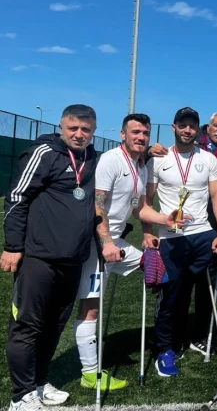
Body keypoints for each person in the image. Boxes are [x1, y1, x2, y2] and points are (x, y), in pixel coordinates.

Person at [72, 113, 188, 391]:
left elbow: (140, 209)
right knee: (90, 308)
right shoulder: (111, 160)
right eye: (135, 132)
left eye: (145, 133)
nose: (141, 137)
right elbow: (97, 205)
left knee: (157, 267)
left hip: (118, 244)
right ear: (123, 134)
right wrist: (106, 243)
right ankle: (90, 373)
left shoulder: (141, 166)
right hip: (97, 244)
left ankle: (163, 343)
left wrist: (166, 219)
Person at [3, 105, 99, 410]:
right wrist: (13, 246)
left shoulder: (92, 157)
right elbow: (17, 198)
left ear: (93, 131)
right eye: (73, 128)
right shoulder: (43, 153)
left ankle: (40, 383)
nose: (79, 134)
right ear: (62, 127)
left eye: (86, 129)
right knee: (27, 326)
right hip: (39, 258)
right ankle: (21, 396)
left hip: (73, 259)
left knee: (54, 325)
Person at [144, 107, 217, 377]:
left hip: (202, 234)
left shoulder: (209, 159)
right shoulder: (158, 159)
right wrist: (148, 232)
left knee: (204, 291)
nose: (188, 130)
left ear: (198, 130)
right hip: (171, 236)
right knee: (171, 294)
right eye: (183, 125)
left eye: (192, 126)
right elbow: (146, 201)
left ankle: (199, 337)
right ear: (174, 127)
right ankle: (165, 349)